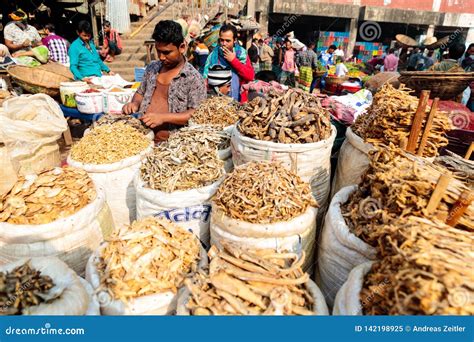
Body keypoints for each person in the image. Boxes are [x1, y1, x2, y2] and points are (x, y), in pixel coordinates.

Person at [122, 20, 206, 142]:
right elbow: (140, 92)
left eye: (167, 52)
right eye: (158, 51)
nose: (161, 57)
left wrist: (163, 118)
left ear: (182, 47)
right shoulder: (152, 68)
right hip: (142, 138)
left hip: (173, 145)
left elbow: (196, 113)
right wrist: (134, 104)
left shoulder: (193, 78)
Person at [203, 24, 254, 101]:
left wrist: (233, 61)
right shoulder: (213, 56)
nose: (224, 43)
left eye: (228, 41)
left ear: (235, 40)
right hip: (218, 103)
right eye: (222, 40)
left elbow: (250, 76)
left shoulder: (242, 54)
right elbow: (206, 81)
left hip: (239, 102)